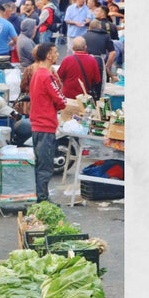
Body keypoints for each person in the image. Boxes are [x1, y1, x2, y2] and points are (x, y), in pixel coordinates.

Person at [28, 42, 78, 203]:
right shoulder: (46, 76)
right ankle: (42, 201)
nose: (58, 55)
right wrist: (57, 104)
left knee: (41, 164)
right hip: (45, 125)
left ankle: (41, 198)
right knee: (45, 166)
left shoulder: (37, 73)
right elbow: (61, 101)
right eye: (55, 52)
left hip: (38, 124)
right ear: (48, 55)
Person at [58, 36, 103, 101]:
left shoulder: (67, 60)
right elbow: (97, 80)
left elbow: (59, 77)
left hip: (68, 97)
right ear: (85, 47)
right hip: (84, 98)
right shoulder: (92, 60)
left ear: (72, 48)